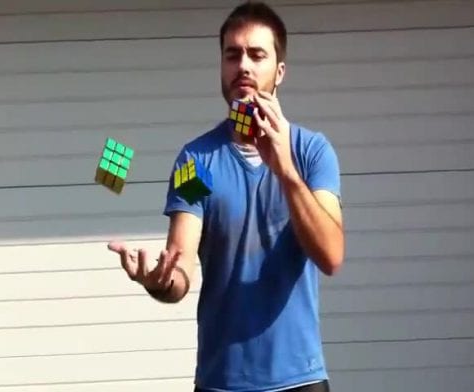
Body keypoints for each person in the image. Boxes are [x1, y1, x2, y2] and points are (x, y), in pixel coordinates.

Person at [108, 2, 344, 391]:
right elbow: (181, 265)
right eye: (232, 55)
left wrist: (284, 168)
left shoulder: (312, 152)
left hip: (299, 381)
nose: (244, 66)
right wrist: (160, 281)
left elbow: (331, 255)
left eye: (257, 55)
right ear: (221, 67)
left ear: (279, 71)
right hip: (222, 382)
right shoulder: (195, 161)